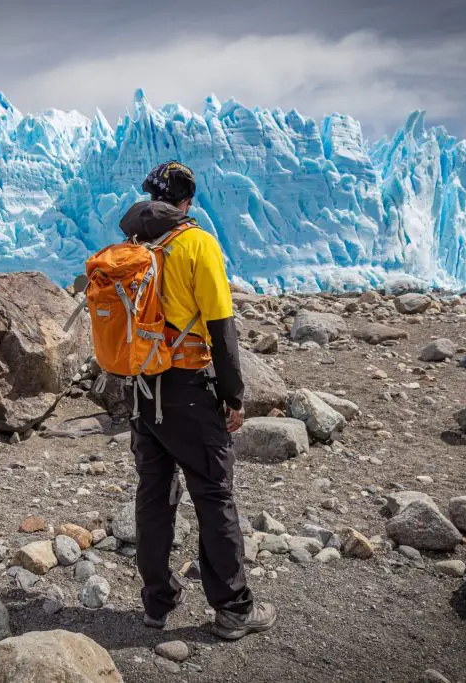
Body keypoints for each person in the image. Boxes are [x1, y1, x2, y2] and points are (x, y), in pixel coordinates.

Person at [118, 161, 276, 640]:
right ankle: (233, 609)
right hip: (188, 391)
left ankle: (156, 603)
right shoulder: (196, 243)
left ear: (150, 197)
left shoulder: (133, 246)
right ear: (187, 203)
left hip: (144, 392)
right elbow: (221, 330)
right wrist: (234, 396)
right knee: (213, 496)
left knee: (153, 496)